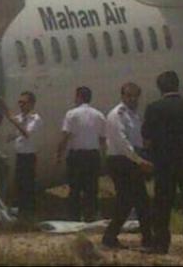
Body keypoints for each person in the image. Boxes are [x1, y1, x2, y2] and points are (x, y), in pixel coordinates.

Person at [142, 71, 183, 254]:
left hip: (164, 164)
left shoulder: (154, 108)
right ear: (178, 85)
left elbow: (146, 135)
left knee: (162, 204)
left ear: (160, 88)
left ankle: (161, 243)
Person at [102, 82, 154, 249]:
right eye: (129, 96)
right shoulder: (117, 115)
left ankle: (114, 237)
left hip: (131, 160)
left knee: (134, 200)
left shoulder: (134, 115)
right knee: (135, 200)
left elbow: (138, 140)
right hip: (121, 161)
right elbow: (123, 143)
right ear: (122, 96)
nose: (132, 99)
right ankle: (145, 238)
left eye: (135, 96)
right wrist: (140, 161)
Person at [56, 86, 106, 222]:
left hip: (77, 155)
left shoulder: (71, 114)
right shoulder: (99, 115)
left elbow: (65, 136)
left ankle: (74, 215)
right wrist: (104, 157)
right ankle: (91, 214)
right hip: (93, 155)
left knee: (75, 187)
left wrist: (59, 153)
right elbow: (102, 139)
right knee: (92, 188)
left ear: (79, 97)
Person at [0, 92, 42, 219]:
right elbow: (17, 133)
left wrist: (11, 117)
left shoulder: (36, 119)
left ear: (31, 104)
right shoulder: (21, 118)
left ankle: (29, 211)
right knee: (20, 184)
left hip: (29, 156)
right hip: (20, 155)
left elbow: (27, 133)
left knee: (28, 184)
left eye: (24, 102)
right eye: (20, 102)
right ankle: (22, 210)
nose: (21, 105)